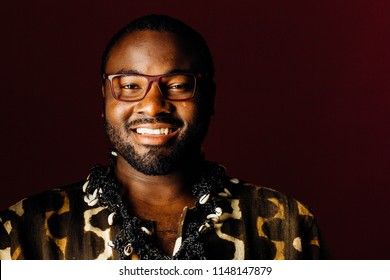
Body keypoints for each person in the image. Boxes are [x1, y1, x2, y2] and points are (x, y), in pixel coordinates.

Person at [0, 14, 325, 260]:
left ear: (209, 98)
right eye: (129, 86)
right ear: (104, 99)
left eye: (178, 85)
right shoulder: (25, 228)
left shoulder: (286, 222)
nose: (153, 105)